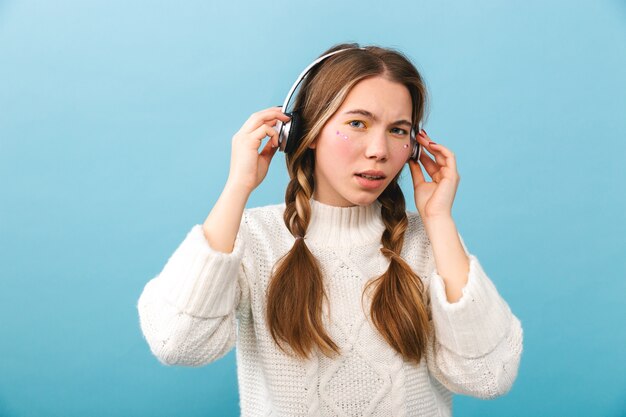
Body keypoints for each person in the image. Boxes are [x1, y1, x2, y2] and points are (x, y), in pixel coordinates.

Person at [136, 42, 524, 417]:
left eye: (398, 131)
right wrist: (237, 187)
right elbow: (178, 343)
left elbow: (489, 377)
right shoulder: (255, 237)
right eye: (357, 123)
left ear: (415, 147)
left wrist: (440, 221)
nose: (379, 150)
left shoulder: (427, 240)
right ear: (307, 132)